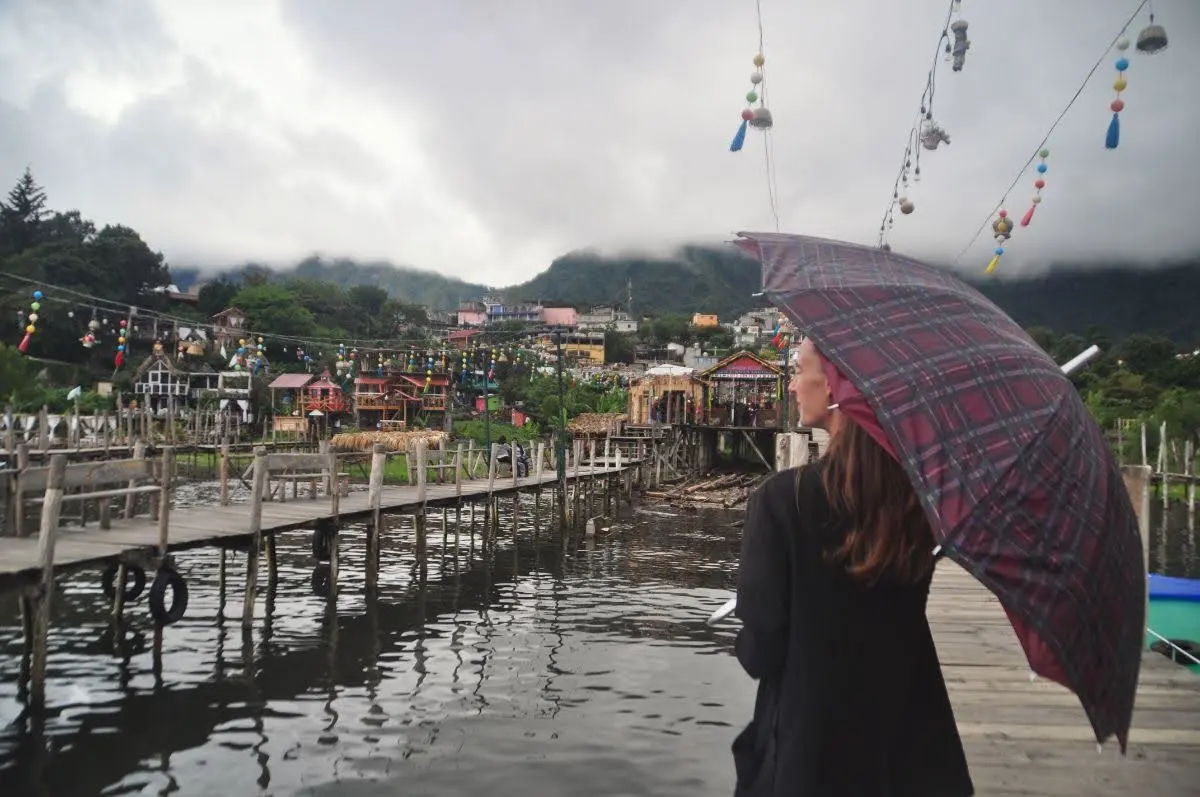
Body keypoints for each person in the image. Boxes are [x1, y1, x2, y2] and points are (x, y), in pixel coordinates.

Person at [731, 337, 974, 796]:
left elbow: (762, 651)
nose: (792, 387)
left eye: (800, 371)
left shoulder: (783, 502)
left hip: (813, 753)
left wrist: (745, 631)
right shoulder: (916, 503)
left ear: (837, 387)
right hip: (909, 747)